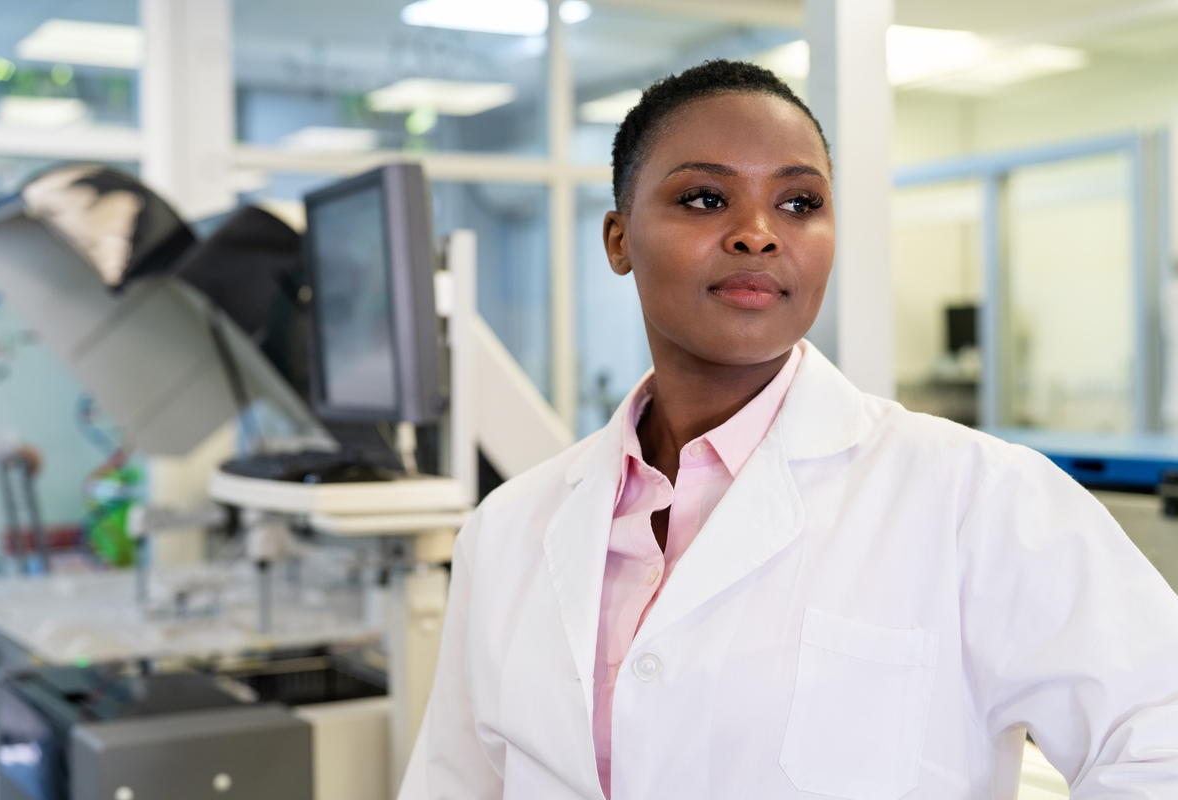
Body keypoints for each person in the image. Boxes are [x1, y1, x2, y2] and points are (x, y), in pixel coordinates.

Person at [400, 61, 1178, 799]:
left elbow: (1157, 740)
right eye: (703, 198)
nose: (757, 233)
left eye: (799, 203)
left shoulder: (976, 498)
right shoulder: (508, 529)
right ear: (617, 239)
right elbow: (454, 783)